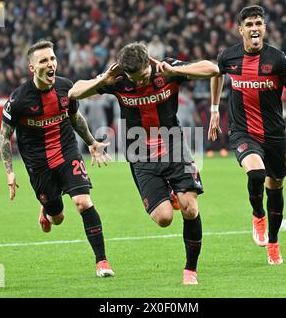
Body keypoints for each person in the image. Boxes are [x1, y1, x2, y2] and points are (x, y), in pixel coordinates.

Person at [69, 42, 219, 285]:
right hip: (140, 153)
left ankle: (190, 270)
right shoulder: (117, 79)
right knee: (163, 219)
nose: (140, 83)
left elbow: (212, 69)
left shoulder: (165, 69)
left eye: (144, 76)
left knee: (190, 208)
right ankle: (172, 192)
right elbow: (74, 92)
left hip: (174, 146)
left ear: (149, 61)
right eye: (135, 79)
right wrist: (102, 80)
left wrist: (177, 72)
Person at [0, 40, 114, 278]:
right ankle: (46, 210)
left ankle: (102, 261)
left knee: (83, 202)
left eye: (52, 59)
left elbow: (75, 118)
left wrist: (91, 142)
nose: (50, 64)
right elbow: (3, 137)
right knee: (57, 217)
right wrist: (9, 172)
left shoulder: (65, 88)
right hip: (38, 165)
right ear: (32, 68)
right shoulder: (18, 100)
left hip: (67, 152)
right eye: (43, 61)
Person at [208, 5, 286, 265]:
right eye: (249, 24)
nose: (254, 28)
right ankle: (257, 215)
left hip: (274, 134)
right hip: (242, 131)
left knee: (275, 187)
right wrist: (214, 109)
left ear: (264, 28)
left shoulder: (278, 59)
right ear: (241, 29)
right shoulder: (228, 57)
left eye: (258, 24)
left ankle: (274, 243)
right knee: (256, 173)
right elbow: (216, 75)